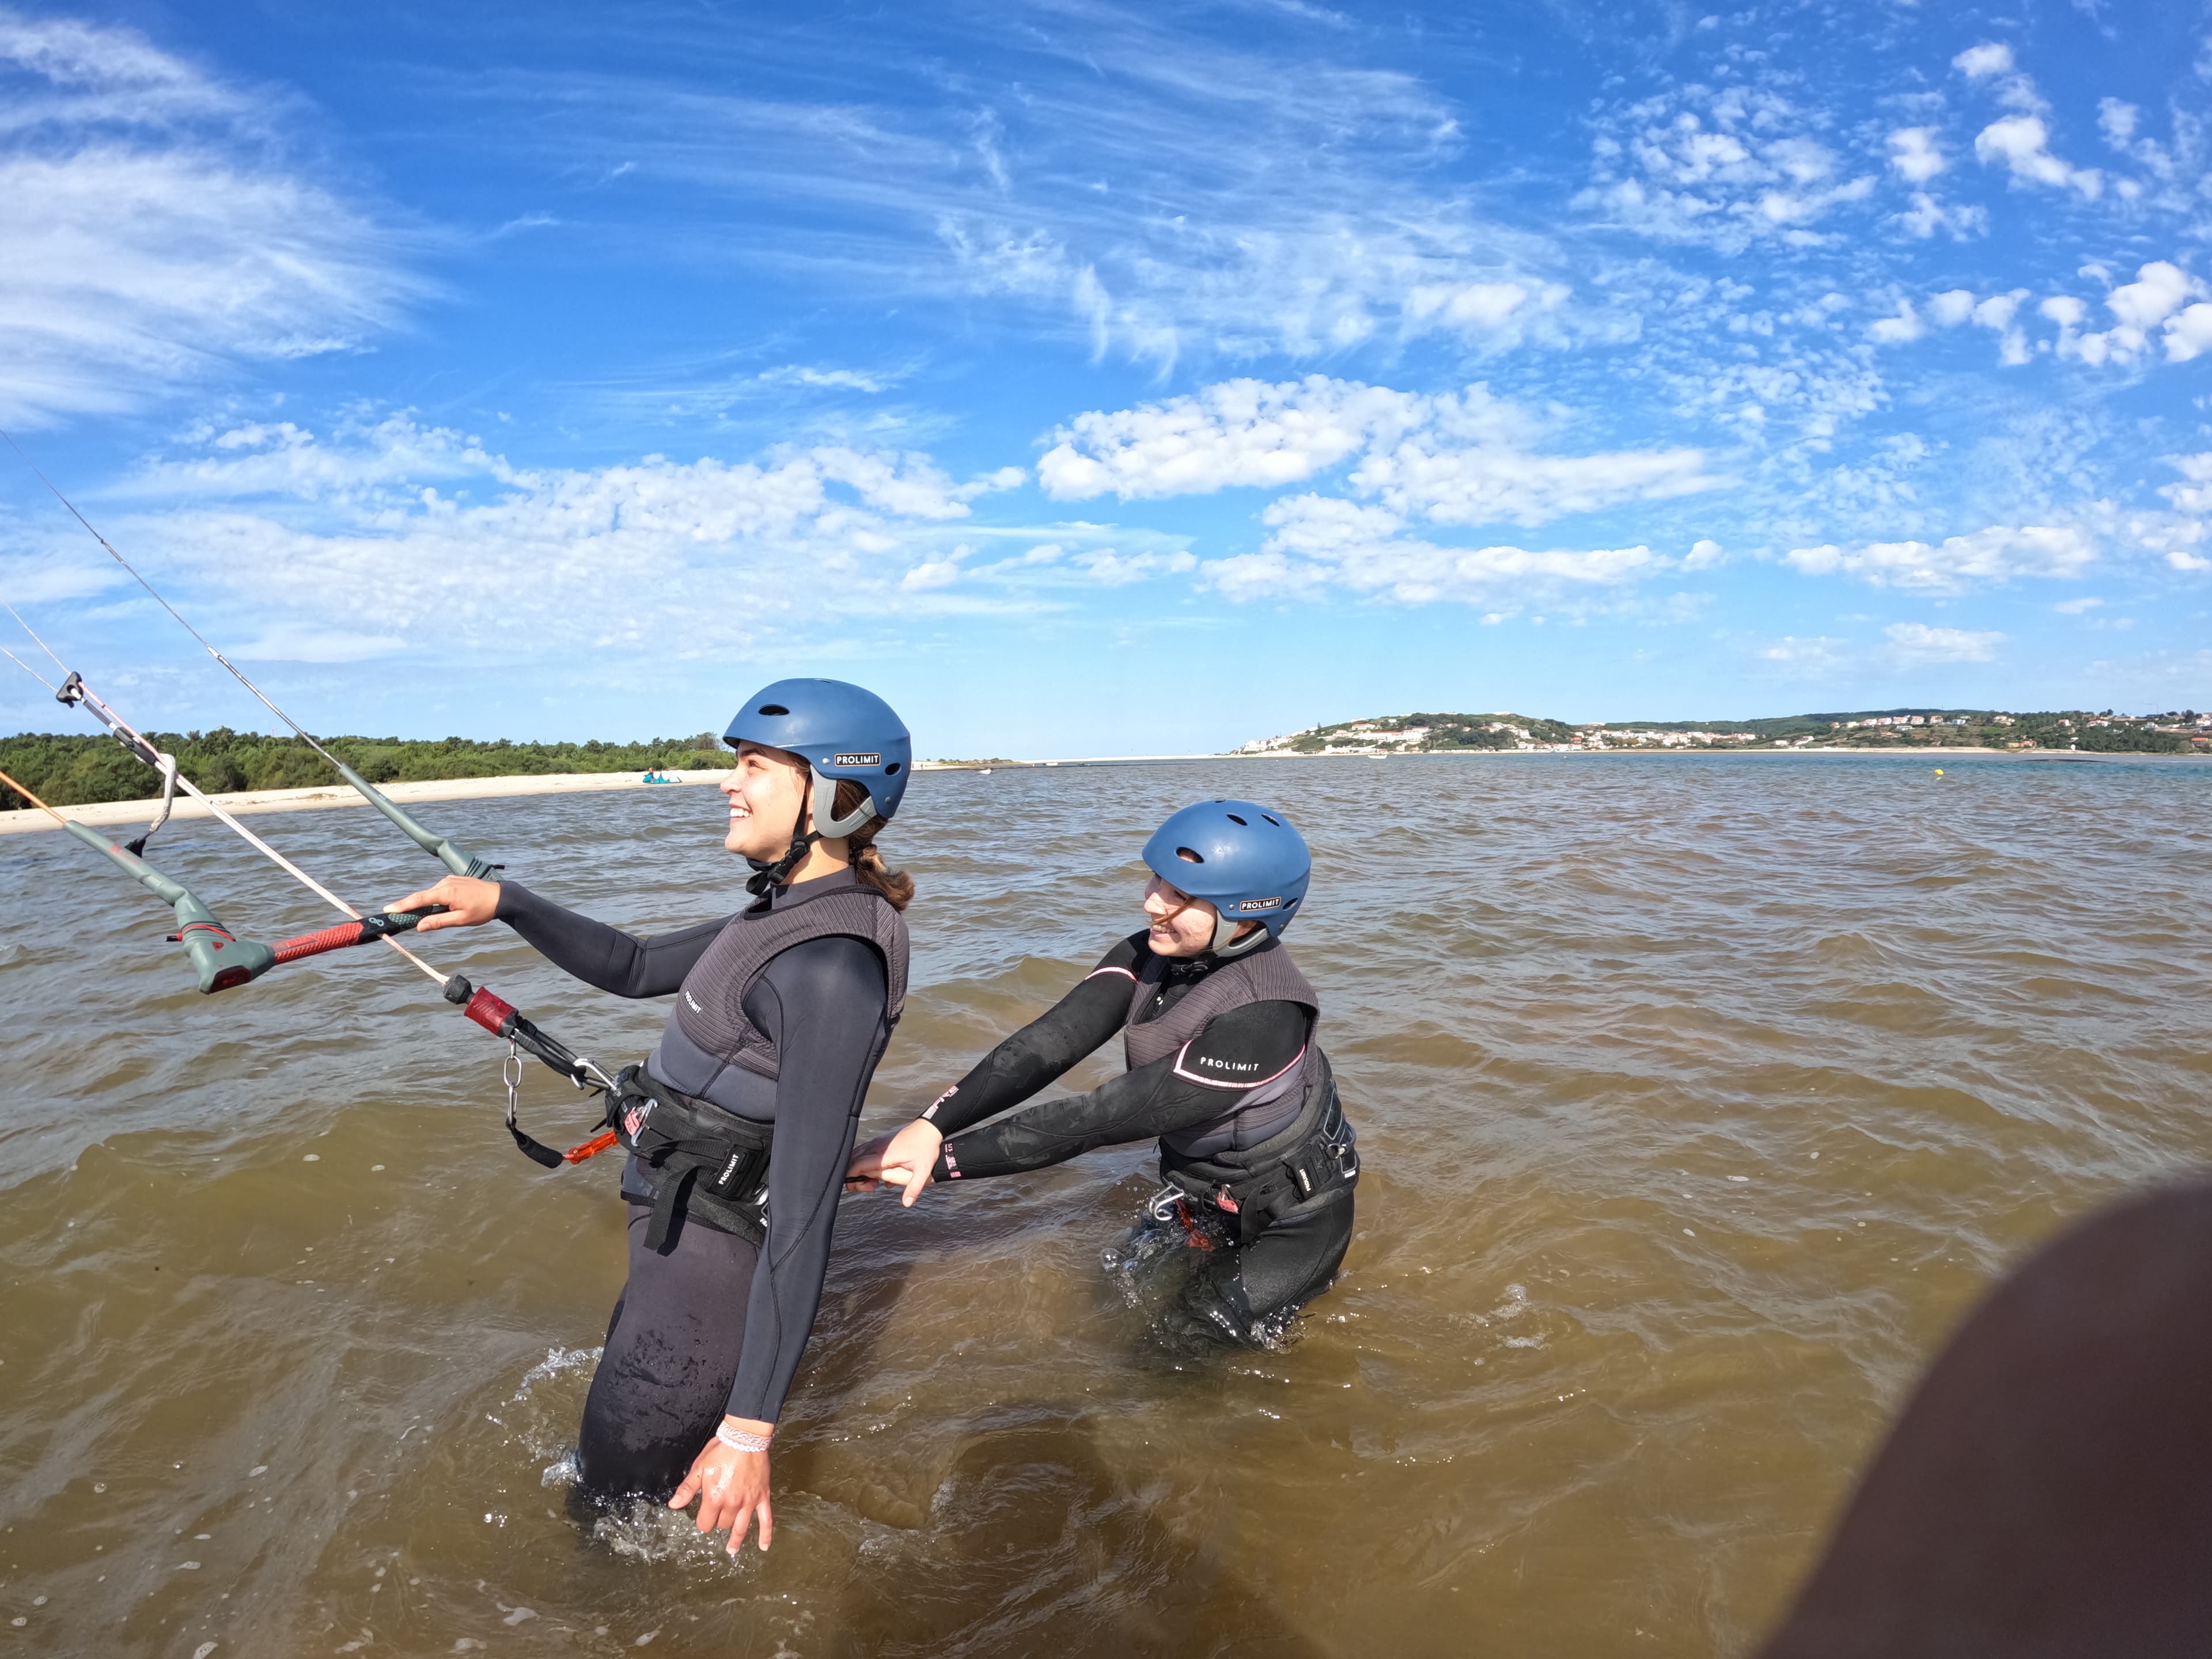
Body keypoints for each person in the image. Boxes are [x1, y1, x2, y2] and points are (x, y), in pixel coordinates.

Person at [392, 678, 913, 1556]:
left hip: (706, 1274)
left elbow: (805, 1213)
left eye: (752, 765)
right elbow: (633, 965)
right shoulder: (784, 912)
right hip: (674, 1238)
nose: (728, 782)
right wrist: (507, 902)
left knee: (600, 1530)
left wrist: (750, 1432)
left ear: (831, 792)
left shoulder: (831, 965)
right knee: (615, 1503)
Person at [849, 798, 1358, 1343]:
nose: (1152, 903)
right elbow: (1051, 1041)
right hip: (1202, 1188)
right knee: (1110, 1298)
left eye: (1181, 895)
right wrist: (931, 1126)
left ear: (1249, 916)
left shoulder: (1266, 1014)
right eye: (1156, 879)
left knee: (1185, 1339)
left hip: (1294, 1217)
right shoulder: (1151, 954)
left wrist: (938, 1165)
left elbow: (1101, 1118)